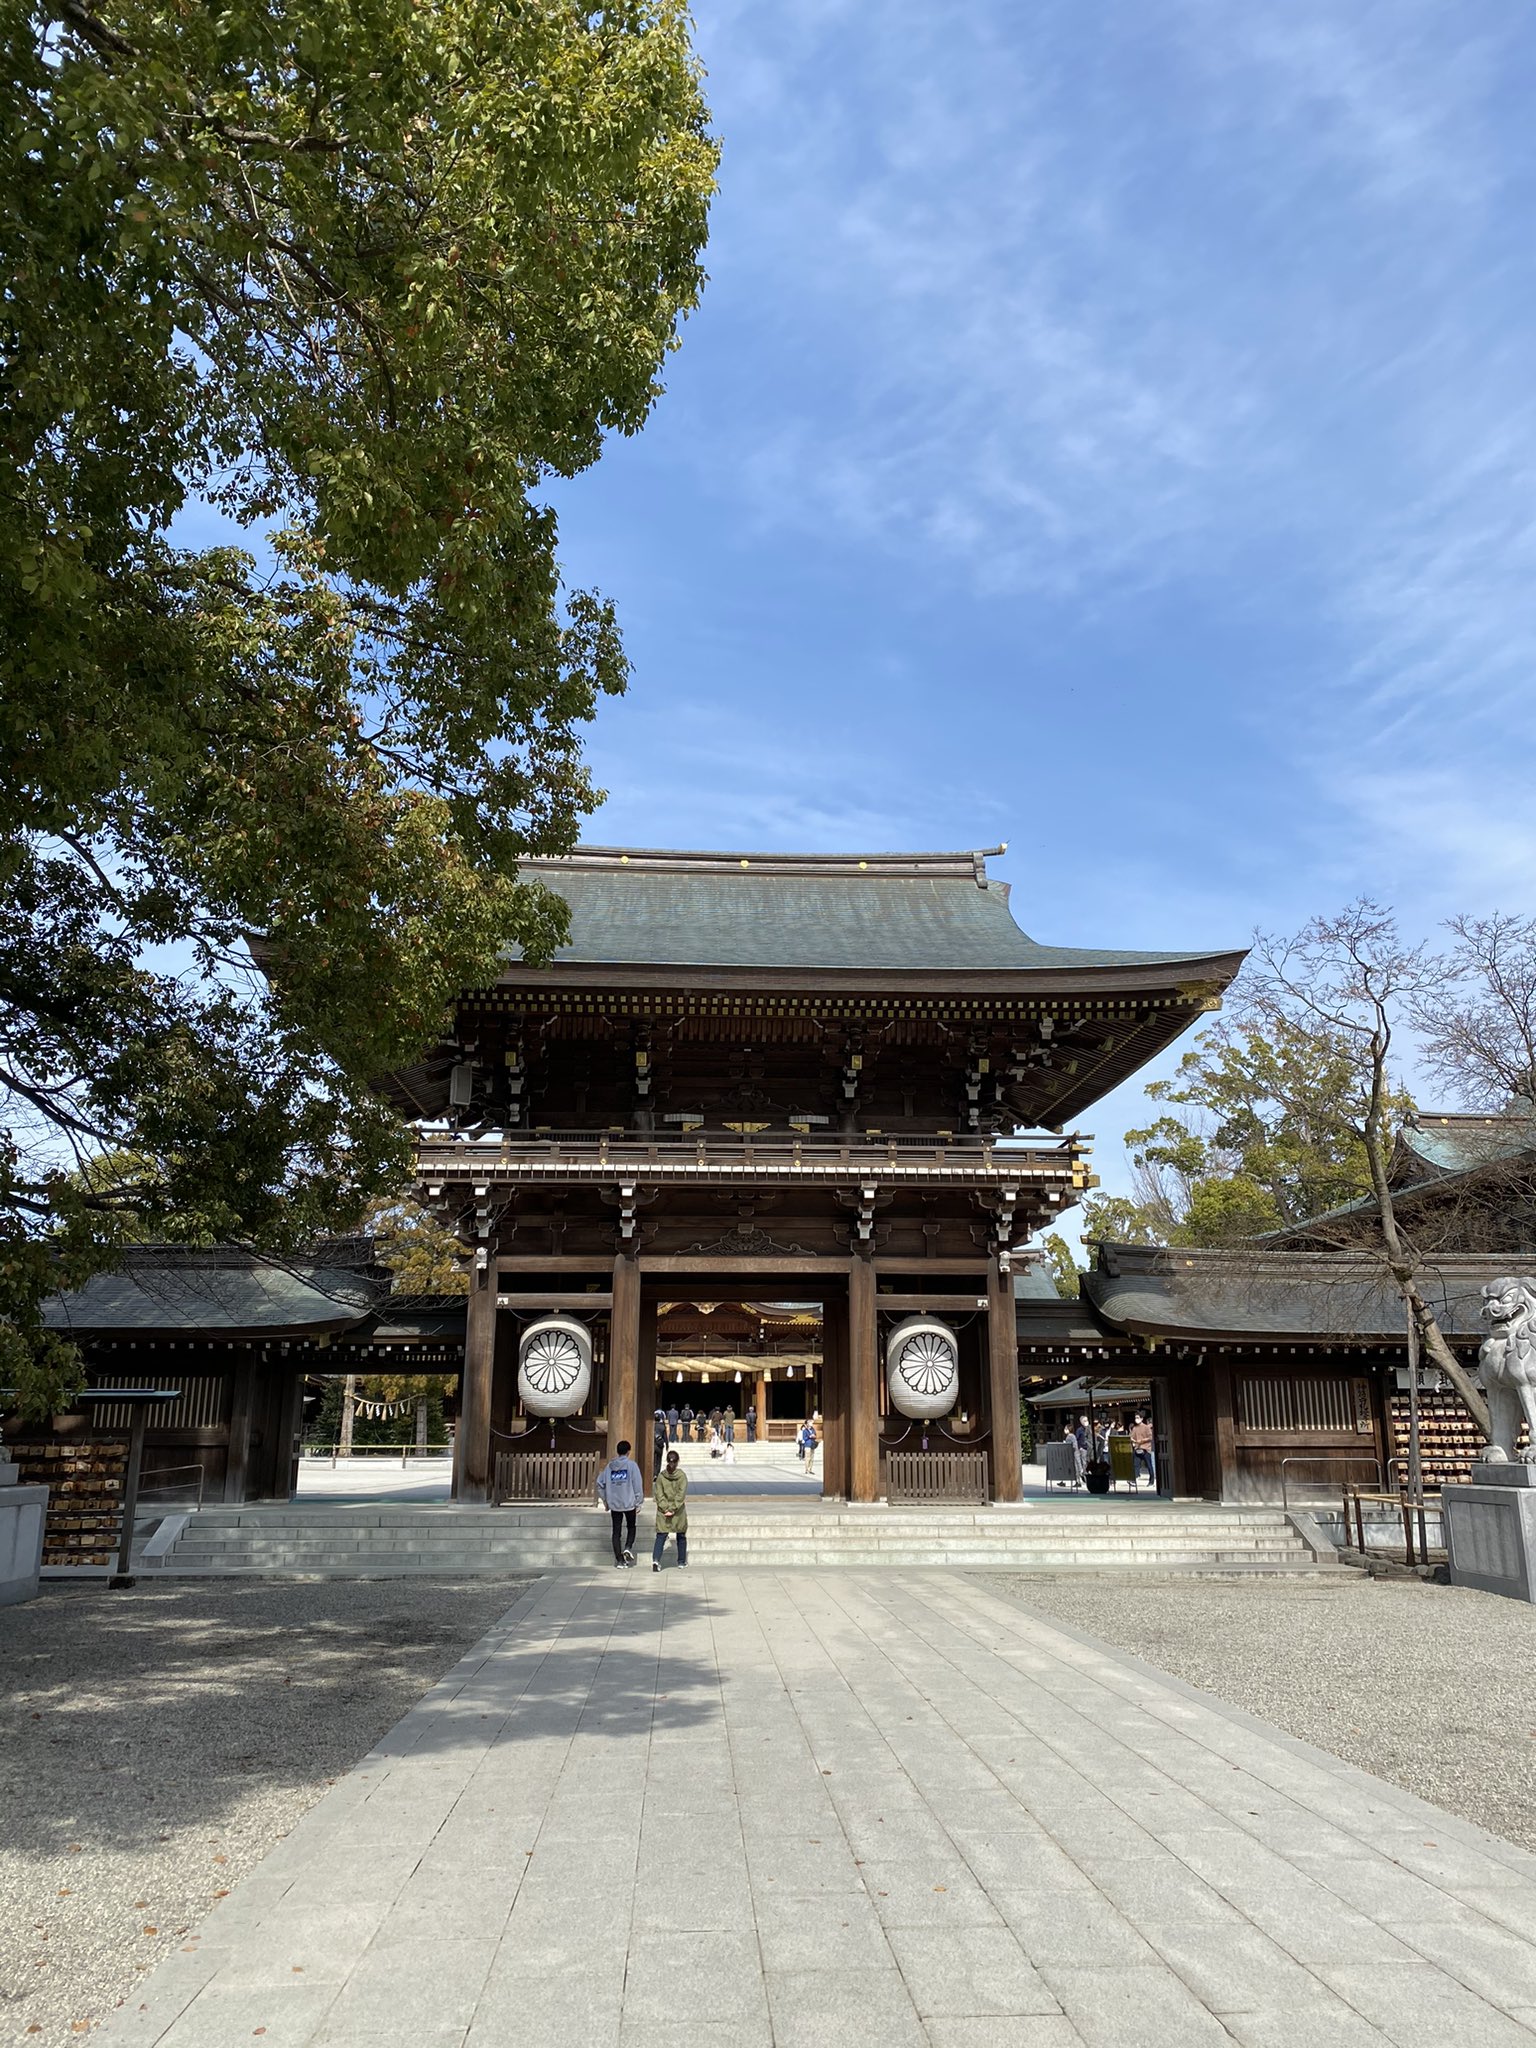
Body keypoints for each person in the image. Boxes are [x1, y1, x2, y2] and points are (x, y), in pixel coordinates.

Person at [596, 1439, 644, 1567]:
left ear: (617, 1452)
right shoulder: (632, 1466)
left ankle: (619, 1560)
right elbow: (637, 1485)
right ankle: (628, 1547)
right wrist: (639, 1502)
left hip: (614, 1504)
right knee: (631, 1527)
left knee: (616, 1532)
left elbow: (599, 1484)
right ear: (629, 1452)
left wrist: (605, 1499)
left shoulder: (609, 1467)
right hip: (629, 1502)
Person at [652, 1448, 689, 1570]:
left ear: (667, 1461)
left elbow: (658, 1494)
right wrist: (673, 1508)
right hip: (678, 1511)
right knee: (681, 1535)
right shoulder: (682, 1476)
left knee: (661, 1535)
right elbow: (681, 1494)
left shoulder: (661, 1477)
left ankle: (656, 1560)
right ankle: (681, 1561)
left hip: (663, 1511)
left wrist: (665, 1508)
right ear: (678, 1461)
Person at [1130, 1410, 1155, 1489]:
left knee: (1149, 1465)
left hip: (1145, 1448)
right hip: (1137, 1448)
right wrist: (1133, 1440)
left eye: (1137, 1417)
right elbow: (1131, 1437)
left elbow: (1150, 1437)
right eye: (1135, 1417)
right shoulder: (1134, 1428)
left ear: (1141, 1418)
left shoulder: (1146, 1427)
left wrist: (1142, 1440)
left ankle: (1151, 1481)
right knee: (1135, 1464)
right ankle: (1134, 1479)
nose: (1136, 1419)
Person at [652, 1408, 668, 1480]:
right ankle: (657, 1474)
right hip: (660, 1445)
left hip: (653, 1444)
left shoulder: (652, 1426)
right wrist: (667, 1445)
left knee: (653, 1460)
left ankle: (653, 1473)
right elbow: (665, 1437)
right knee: (659, 1460)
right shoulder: (662, 1426)